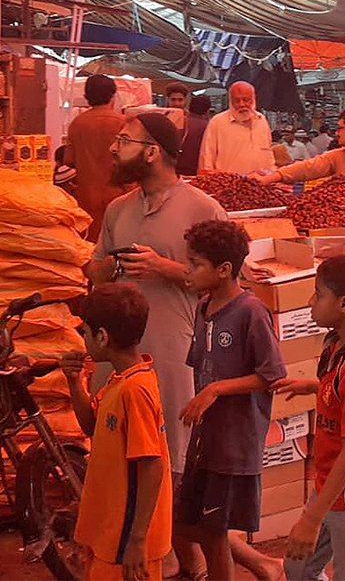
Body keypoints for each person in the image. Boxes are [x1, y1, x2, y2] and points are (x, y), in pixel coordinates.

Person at [85, 114, 226, 476]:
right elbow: (95, 268)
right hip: (115, 361)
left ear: (151, 153)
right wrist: (107, 270)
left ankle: (165, 533)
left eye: (124, 141)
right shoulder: (117, 210)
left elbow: (230, 284)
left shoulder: (202, 209)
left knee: (166, 463)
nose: (114, 149)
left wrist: (164, 268)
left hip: (171, 356)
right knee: (114, 459)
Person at [178, 220, 286, 581]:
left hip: (234, 445)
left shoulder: (251, 313)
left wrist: (216, 390)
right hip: (205, 442)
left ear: (224, 270)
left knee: (214, 533)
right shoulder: (203, 307)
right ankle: (261, 567)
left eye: (195, 264)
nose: (187, 271)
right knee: (186, 523)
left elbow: (271, 374)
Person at [273, 255, 345, 581]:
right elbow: (340, 395)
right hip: (331, 484)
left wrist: (312, 518)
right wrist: (315, 386)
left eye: (318, 294)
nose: (311, 302)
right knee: (298, 566)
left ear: (344, 304)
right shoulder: (338, 343)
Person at [64, 284, 173, 581]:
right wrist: (75, 382)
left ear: (102, 336)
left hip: (126, 541)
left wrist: (137, 541)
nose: (82, 340)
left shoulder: (134, 391)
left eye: (84, 332)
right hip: (111, 533)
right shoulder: (120, 381)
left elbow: (151, 466)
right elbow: (90, 425)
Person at [66, 74, 127, 241]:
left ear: (87, 96)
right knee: (117, 242)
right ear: (113, 95)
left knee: (90, 244)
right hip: (119, 194)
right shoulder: (123, 123)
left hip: (87, 196)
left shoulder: (77, 123)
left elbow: (68, 160)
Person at [198, 81, 274, 174]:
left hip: (261, 184)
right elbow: (207, 156)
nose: (241, 104)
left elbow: (269, 152)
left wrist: (272, 173)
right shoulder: (217, 122)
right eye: (236, 101)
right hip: (228, 185)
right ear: (230, 101)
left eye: (246, 100)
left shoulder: (261, 120)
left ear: (253, 100)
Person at [178, 95, 212, 177]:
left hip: (176, 170)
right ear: (207, 110)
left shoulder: (179, 122)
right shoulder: (208, 126)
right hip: (196, 173)